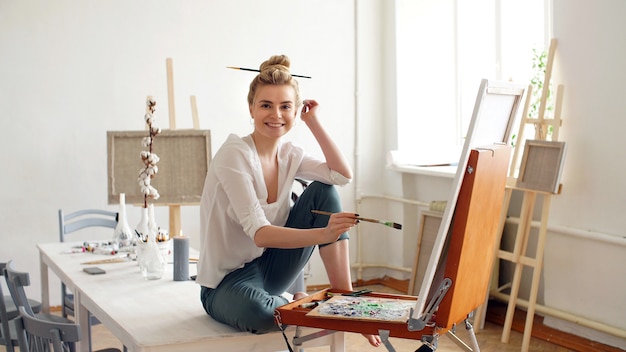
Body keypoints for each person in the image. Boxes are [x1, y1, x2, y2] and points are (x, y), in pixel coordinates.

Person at [196, 54, 381, 347]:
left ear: (296, 112)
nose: (276, 115)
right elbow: (259, 234)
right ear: (251, 109)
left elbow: (341, 176)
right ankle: (296, 303)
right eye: (266, 105)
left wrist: (314, 122)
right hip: (225, 285)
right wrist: (325, 233)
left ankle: (346, 300)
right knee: (257, 312)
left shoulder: (291, 154)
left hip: (270, 268)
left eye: (286, 107)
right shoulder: (234, 154)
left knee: (324, 191)